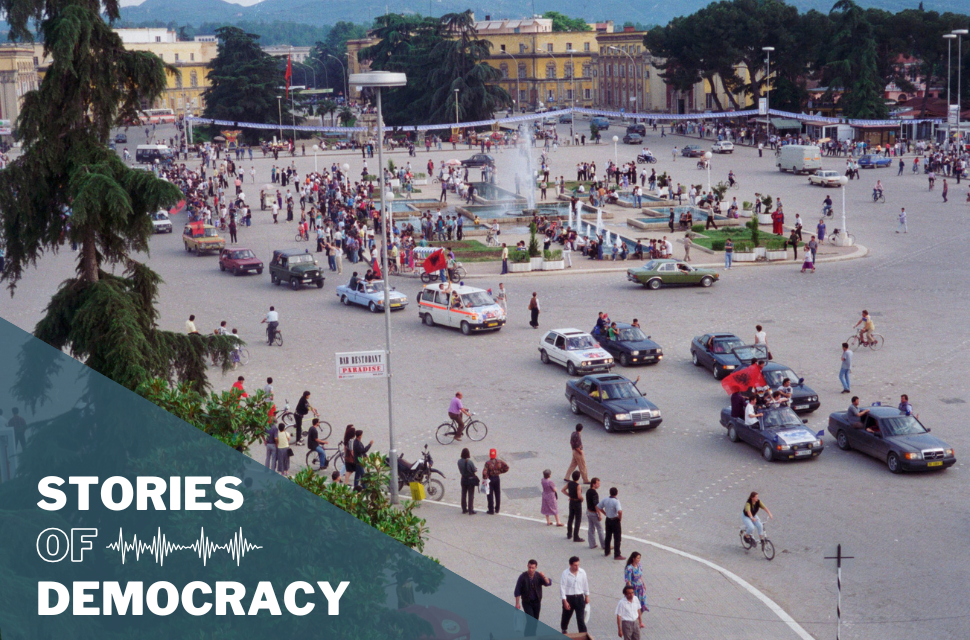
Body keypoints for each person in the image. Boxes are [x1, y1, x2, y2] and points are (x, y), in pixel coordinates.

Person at [514, 560, 552, 637]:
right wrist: (517, 603)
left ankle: (533, 635)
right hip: (527, 602)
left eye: (533, 568)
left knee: (535, 620)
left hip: (537, 601)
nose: (531, 569)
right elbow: (517, 590)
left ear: (536, 568)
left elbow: (548, 583)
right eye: (530, 567)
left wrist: (543, 576)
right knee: (530, 620)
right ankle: (527, 635)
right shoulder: (523, 577)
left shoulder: (538, 576)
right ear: (527, 566)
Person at [560, 556, 590, 635]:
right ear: (570, 565)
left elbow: (585, 584)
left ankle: (583, 634)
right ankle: (564, 629)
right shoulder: (565, 573)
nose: (577, 567)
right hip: (569, 598)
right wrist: (564, 601)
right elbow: (562, 587)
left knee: (580, 618)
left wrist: (587, 596)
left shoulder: (582, 572)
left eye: (578, 565)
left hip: (580, 597)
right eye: (575, 565)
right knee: (566, 616)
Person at [597, 486, 624, 560]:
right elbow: (620, 511)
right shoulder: (616, 501)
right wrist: (620, 518)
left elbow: (598, 507)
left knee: (608, 536)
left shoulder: (606, 499)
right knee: (617, 538)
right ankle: (617, 554)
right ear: (617, 493)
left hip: (608, 519)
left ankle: (607, 551)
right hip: (615, 520)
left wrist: (605, 513)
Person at [483, 448, 509, 515]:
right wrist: (500, 472)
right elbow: (507, 467)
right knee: (497, 494)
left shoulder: (487, 463)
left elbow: (484, 472)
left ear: (489, 455)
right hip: (497, 478)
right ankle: (497, 509)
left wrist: (485, 479)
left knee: (490, 495)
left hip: (490, 479)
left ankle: (491, 510)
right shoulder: (499, 461)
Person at [585, 477, 606, 550]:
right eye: (598, 483)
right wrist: (600, 515)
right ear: (593, 484)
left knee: (591, 528)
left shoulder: (588, 491)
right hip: (593, 513)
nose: (599, 485)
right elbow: (596, 505)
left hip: (588, 512)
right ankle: (604, 545)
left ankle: (592, 544)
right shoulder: (594, 493)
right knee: (600, 529)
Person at [458, 447, 478, 514]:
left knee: (463, 494)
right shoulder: (469, 462)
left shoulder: (459, 461)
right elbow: (474, 470)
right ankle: (470, 509)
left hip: (463, 479)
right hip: (470, 480)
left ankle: (464, 509)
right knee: (471, 495)